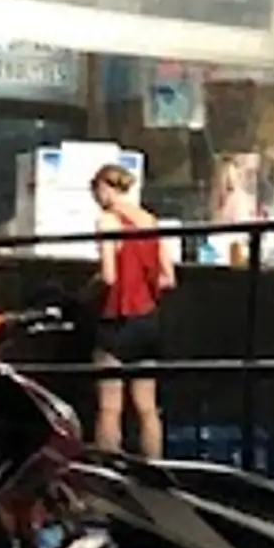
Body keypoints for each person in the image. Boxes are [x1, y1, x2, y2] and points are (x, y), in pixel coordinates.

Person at [88, 158, 170, 460]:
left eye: (96, 192)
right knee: (147, 408)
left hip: (117, 319)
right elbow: (168, 278)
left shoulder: (108, 222)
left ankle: (107, 477)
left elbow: (109, 276)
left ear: (105, 188)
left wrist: (89, 288)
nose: (97, 201)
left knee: (110, 406)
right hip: (147, 320)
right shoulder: (150, 221)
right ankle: (156, 471)